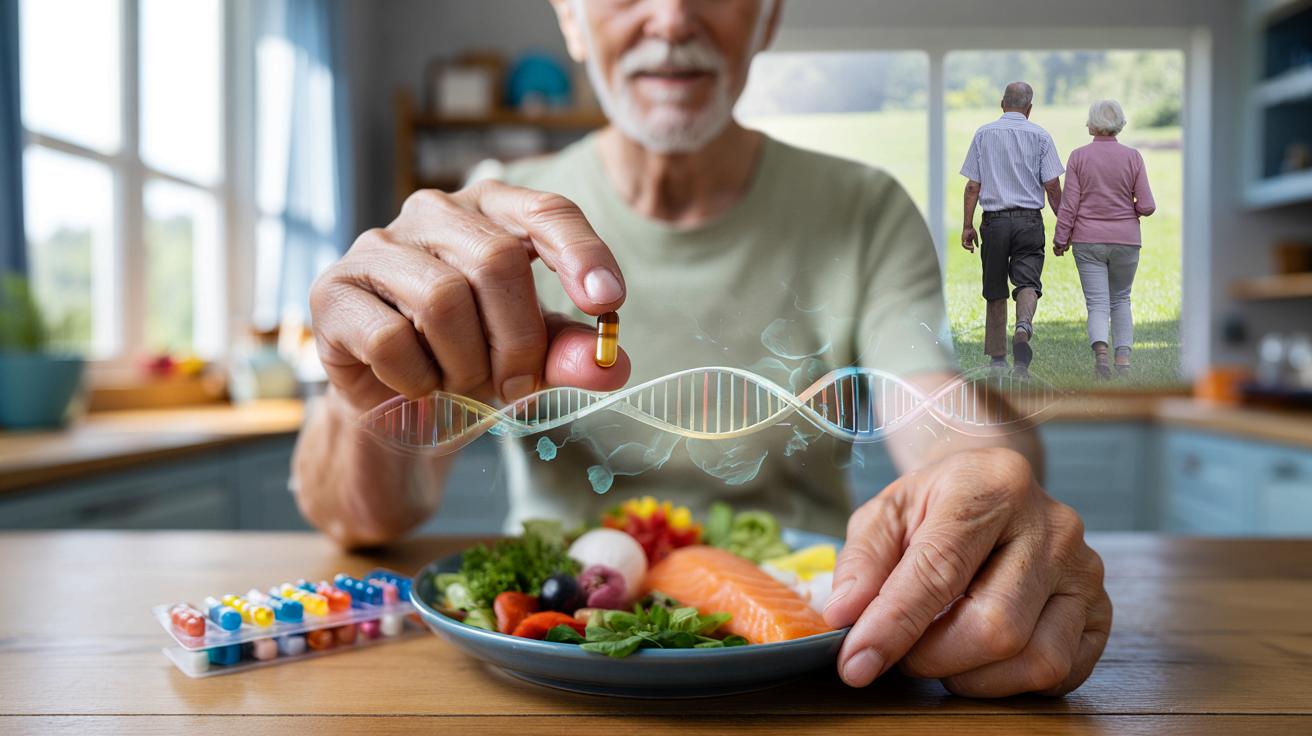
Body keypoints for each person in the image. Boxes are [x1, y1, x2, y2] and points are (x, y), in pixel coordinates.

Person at [292, 0, 1109, 697]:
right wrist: (373, 381)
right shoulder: (488, 224)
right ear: (570, 15)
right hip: (539, 672)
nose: (672, 15)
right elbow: (358, 516)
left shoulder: (863, 209)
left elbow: (932, 407)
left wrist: (982, 478)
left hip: (813, 671)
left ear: (769, 14)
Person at [960, 82, 1065, 378]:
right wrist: (1064, 223)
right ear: (1029, 108)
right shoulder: (1041, 136)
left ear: (1002, 103)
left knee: (995, 288)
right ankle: (1022, 328)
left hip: (994, 222)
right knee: (1028, 282)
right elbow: (1052, 186)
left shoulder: (983, 134)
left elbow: (972, 186)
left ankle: (997, 359)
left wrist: (968, 225)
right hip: (1029, 221)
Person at [1053, 99, 1156, 379]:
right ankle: (1123, 361)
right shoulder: (1133, 157)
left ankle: (1101, 356)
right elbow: (1147, 205)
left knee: (1097, 303)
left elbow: (1069, 205)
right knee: (1121, 299)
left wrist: (1061, 239)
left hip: (1087, 241)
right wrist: (1130, 211)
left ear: (1093, 123)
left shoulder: (1078, 157)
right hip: (1126, 240)